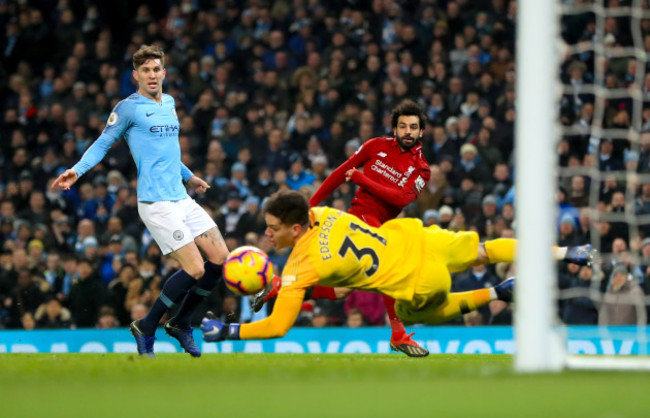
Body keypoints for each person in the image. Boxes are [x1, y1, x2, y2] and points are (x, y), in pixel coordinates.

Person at [200, 190, 596, 343]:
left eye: (273, 229)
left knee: (408, 312)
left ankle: (497, 293)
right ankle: (566, 252)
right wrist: (283, 286)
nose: (268, 236)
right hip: (419, 239)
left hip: (418, 280)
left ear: (296, 227)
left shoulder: (302, 266)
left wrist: (230, 331)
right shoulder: (324, 214)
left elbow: (277, 326)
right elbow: (338, 286)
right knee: (486, 251)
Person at [52, 45, 229, 358]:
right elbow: (103, 143)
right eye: (145, 70)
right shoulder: (128, 108)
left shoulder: (170, 103)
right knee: (196, 269)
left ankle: (180, 322)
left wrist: (189, 176)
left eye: (156, 69)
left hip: (181, 196)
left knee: (220, 259)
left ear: (163, 72)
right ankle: (147, 326)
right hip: (156, 203)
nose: (152, 75)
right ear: (136, 75)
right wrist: (77, 171)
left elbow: (167, 150)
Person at [253, 99, 433, 357]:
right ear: (395, 129)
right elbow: (341, 172)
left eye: (413, 127)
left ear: (420, 132)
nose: (407, 131)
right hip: (360, 219)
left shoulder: (422, 169)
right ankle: (398, 334)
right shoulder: (376, 146)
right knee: (390, 269)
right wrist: (311, 203)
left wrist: (363, 179)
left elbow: (401, 199)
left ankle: (281, 286)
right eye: (402, 126)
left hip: (384, 225)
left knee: (341, 290)